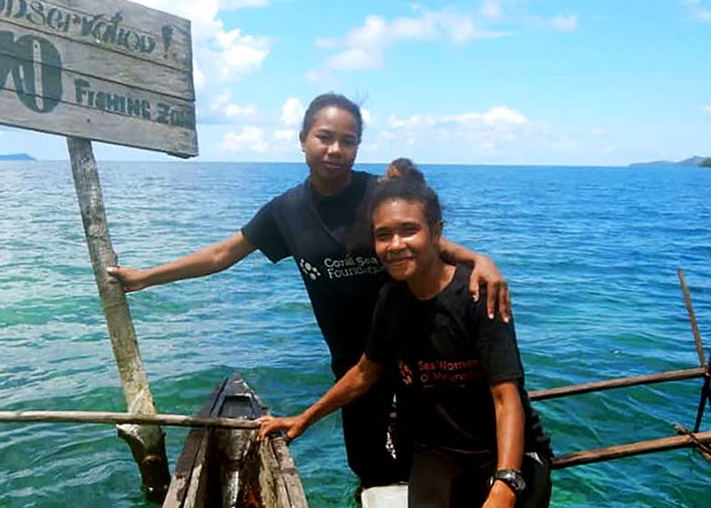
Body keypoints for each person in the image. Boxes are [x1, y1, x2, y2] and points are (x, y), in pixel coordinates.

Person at [107, 92, 513, 488]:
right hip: (353, 364)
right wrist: (146, 278)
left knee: (429, 455)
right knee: (368, 462)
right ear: (303, 139)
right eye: (324, 137)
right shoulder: (287, 211)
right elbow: (222, 254)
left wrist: (480, 260)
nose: (335, 149)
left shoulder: (378, 196)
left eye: (348, 141)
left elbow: (425, 244)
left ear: (358, 147)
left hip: (415, 354)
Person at [257, 177, 552, 508]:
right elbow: (366, 372)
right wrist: (304, 418)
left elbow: (505, 397)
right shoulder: (392, 299)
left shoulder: (477, 295)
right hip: (438, 451)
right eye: (383, 235)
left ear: (436, 233)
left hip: (508, 449)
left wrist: (506, 483)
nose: (395, 244)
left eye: (409, 230)